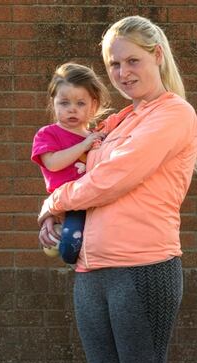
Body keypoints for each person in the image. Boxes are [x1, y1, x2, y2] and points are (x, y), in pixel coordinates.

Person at [38, 16, 197, 363]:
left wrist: (54, 204)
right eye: (114, 63)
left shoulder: (174, 114)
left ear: (157, 56)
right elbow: (76, 177)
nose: (123, 71)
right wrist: (60, 212)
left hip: (145, 270)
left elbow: (115, 177)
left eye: (133, 59)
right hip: (92, 272)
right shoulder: (117, 119)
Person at [31, 62, 111, 264]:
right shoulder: (48, 134)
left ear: (93, 105)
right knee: (69, 248)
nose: (72, 110)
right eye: (64, 103)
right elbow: (53, 164)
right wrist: (84, 145)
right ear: (54, 103)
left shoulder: (96, 136)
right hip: (69, 205)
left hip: (96, 201)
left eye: (80, 103)